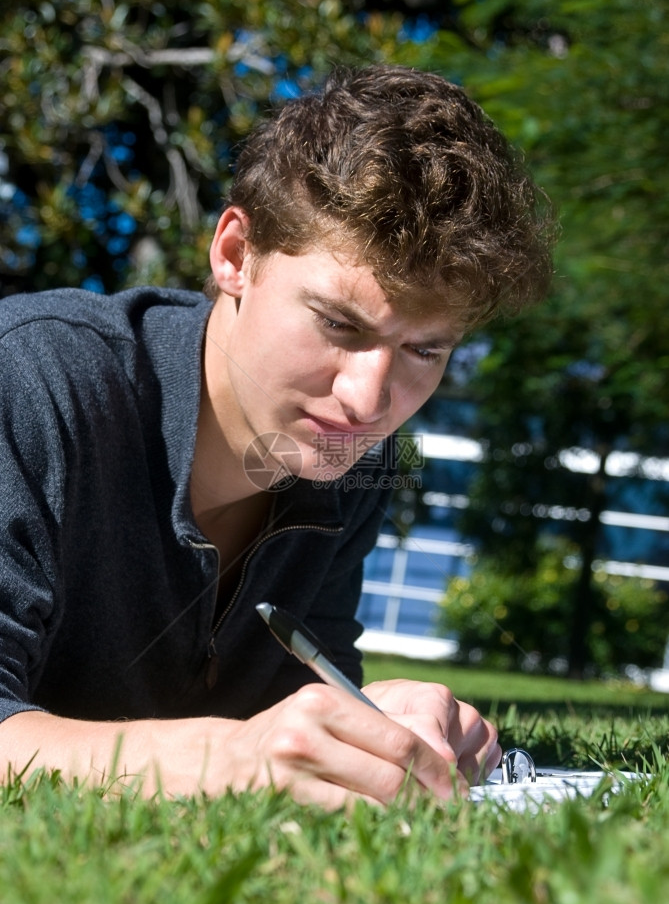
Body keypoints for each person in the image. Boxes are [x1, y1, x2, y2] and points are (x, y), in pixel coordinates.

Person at [0, 65, 553, 808]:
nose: (367, 401)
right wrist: (230, 756)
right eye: (336, 324)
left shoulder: (347, 460)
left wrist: (371, 720)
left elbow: (287, 708)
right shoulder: (33, 382)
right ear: (234, 256)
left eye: (424, 350)